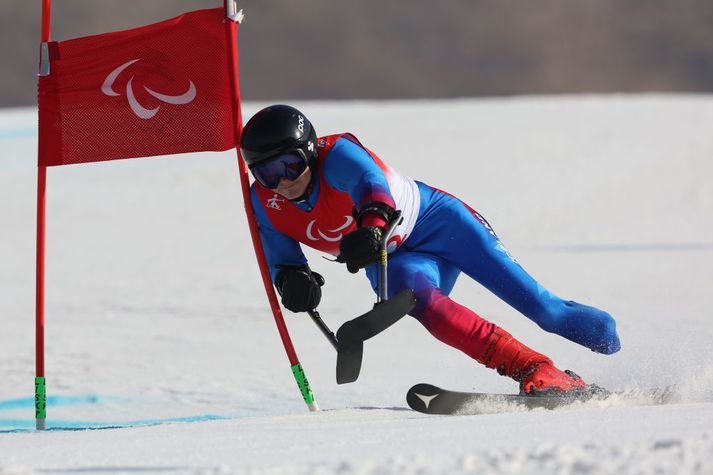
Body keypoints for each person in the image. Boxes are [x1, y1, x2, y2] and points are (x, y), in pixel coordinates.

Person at [240, 104, 620, 395]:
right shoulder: (263, 202)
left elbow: (372, 185)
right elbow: (282, 259)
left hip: (441, 223)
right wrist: (292, 282)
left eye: (290, 166)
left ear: (309, 152)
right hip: (399, 258)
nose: (283, 182)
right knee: (426, 308)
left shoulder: (336, 156)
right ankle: (534, 369)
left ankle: (616, 347)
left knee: (547, 312)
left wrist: (371, 226)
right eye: (267, 174)